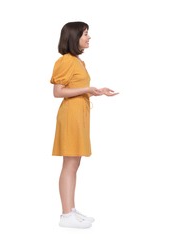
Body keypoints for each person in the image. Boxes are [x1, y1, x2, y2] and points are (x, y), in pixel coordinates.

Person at [50, 21, 119, 229]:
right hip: (71, 116)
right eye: (85, 34)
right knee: (69, 164)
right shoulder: (66, 61)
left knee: (75, 164)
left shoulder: (79, 61)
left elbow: (78, 88)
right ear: (74, 37)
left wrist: (95, 90)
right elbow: (58, 92)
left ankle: (70, 210)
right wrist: (87, 90)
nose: (89, 38)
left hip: (79, 115)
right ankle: (65, 214)